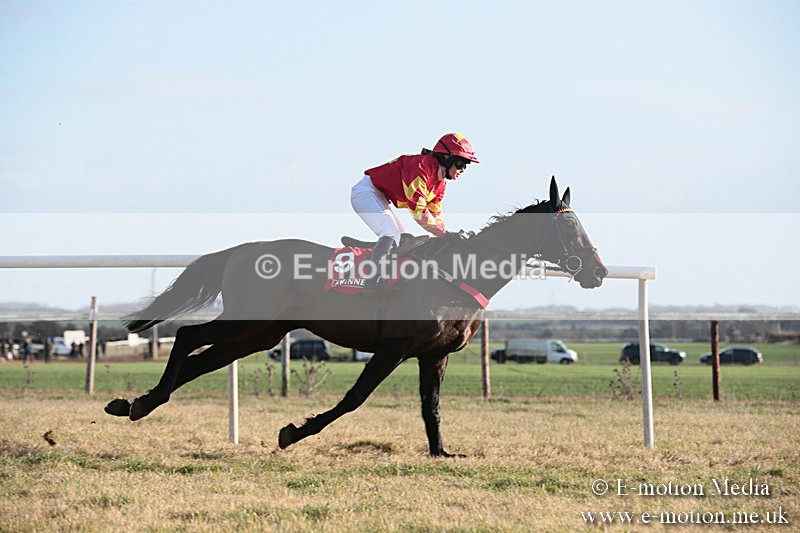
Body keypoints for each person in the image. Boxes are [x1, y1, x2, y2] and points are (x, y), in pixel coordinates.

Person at [351, 132, 479, 291]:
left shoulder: (440, 184)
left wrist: (445, 233)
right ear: (447, 158)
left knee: (403, 239)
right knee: (391, 235)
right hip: (366, 193)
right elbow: (418, 210)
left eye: (466, 165)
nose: (463, 169)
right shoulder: (421, 166)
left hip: (381, 198)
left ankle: (386, 276)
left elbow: (435, 214)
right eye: (461, 163)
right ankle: (372, 284)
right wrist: (443, 235)